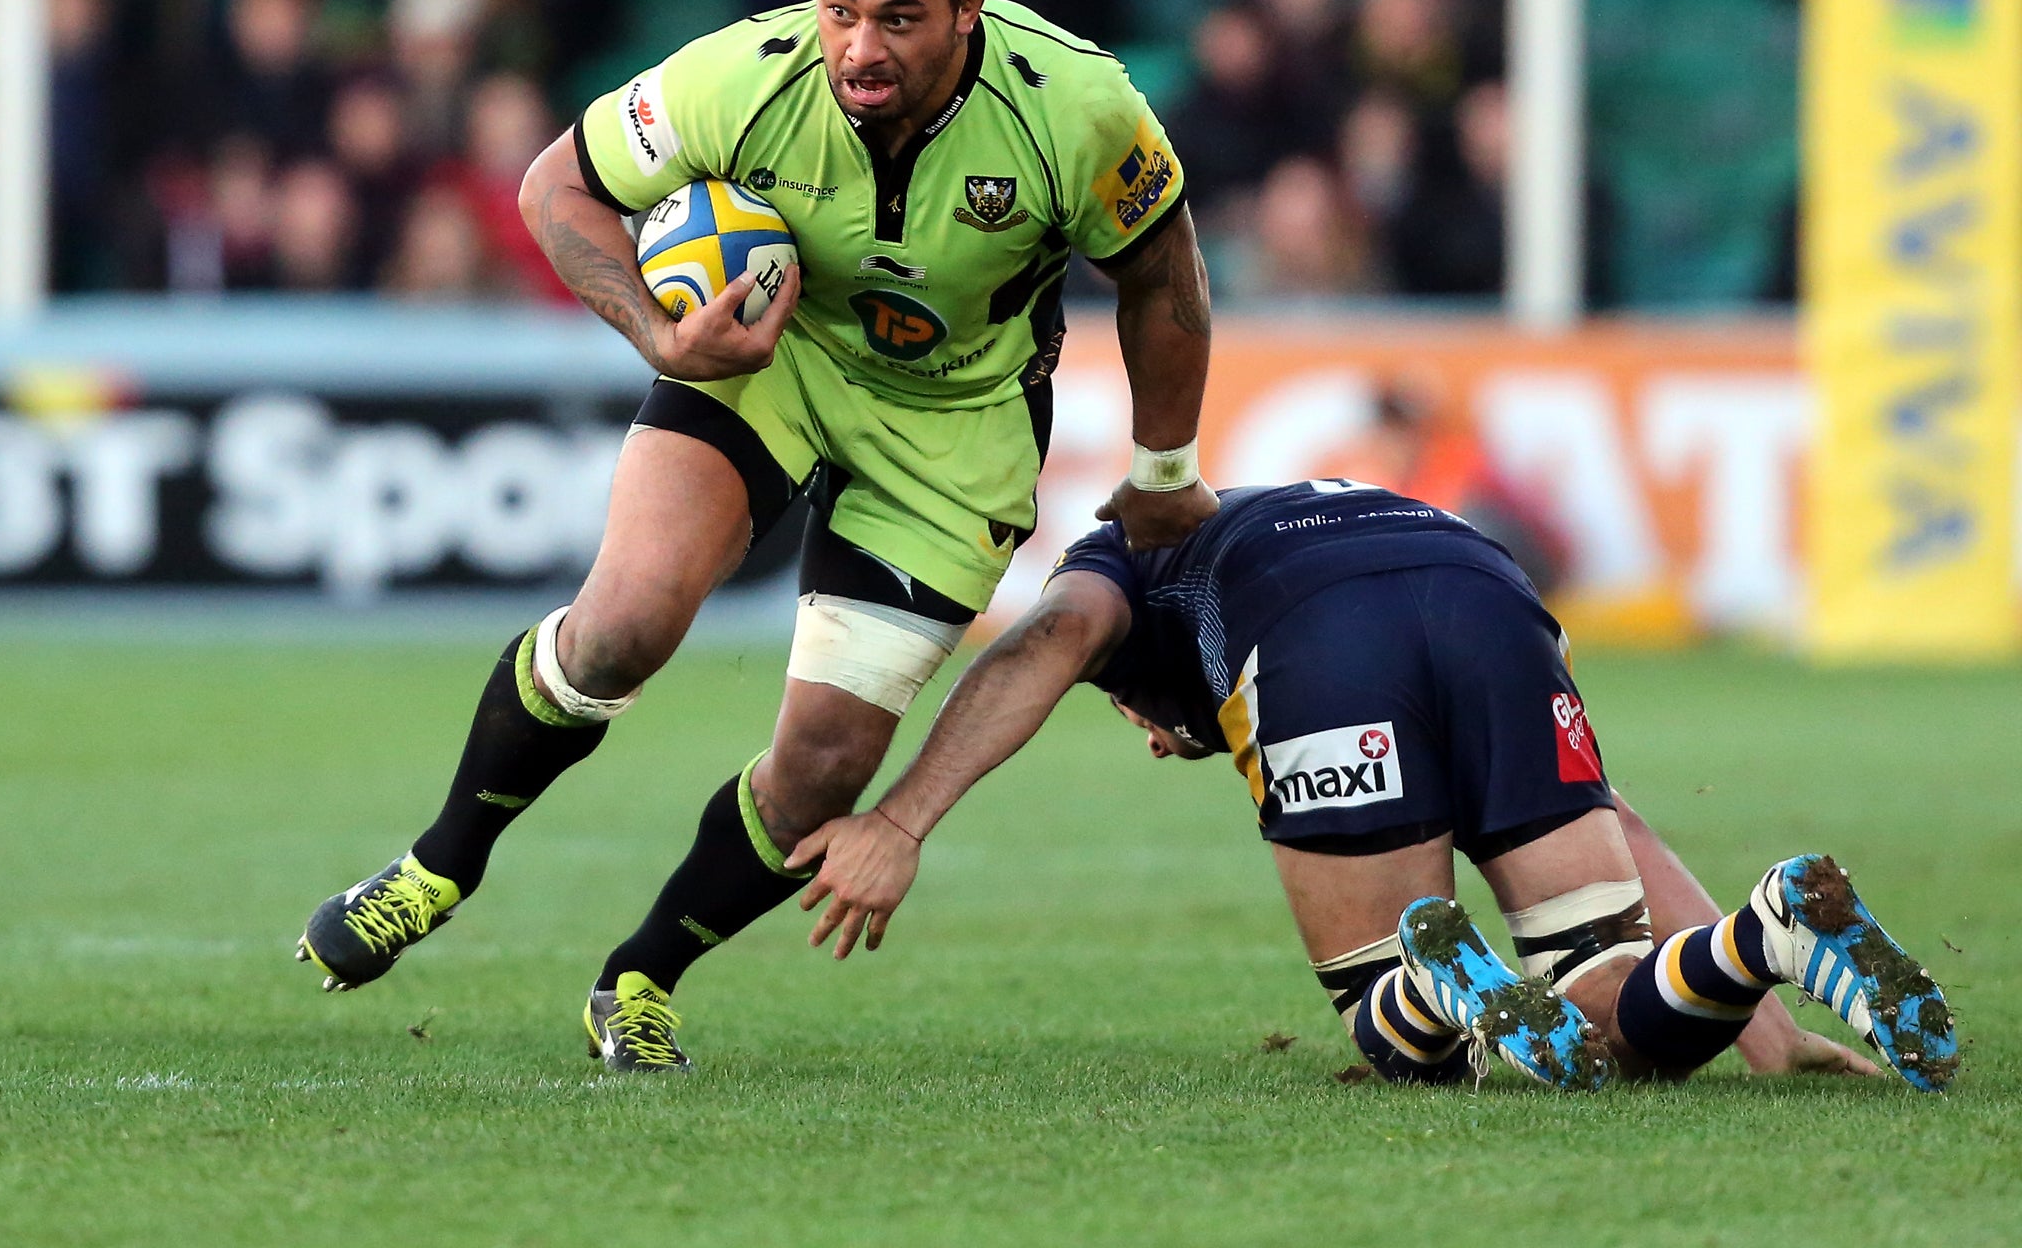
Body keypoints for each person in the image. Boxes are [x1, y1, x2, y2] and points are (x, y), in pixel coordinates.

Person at [296, 0, 1218, 1072]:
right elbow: (554, 187)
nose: (857, 45)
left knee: (826, 767)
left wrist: (1162, 468)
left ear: (968, 10)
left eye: (897, 17)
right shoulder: (741, 75)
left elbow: (1163, 276)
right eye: (839, 8)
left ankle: (640, 977)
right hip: (762, 363)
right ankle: (437, 864)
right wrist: (658, 333)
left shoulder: (1078, 107)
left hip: (954, 430)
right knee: (622, 625)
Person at [790, 480, 1959, 1094]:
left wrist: (898, 820)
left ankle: (1433, 986)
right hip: (1483, 586)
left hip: (1323, 640)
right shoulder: (1291, 511)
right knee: (1605, 1016)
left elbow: (1044, 639)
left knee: (1389, 1030)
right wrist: (1759, 1034)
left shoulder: (1122, 556)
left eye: (1138, 721)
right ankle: (1765, 937)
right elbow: (1621, 823)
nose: (1153, 739)